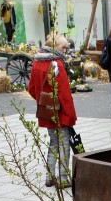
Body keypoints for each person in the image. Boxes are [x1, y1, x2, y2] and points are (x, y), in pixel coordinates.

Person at [27, 32, 77, 188]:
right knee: (64, 143)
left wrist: (44, 101)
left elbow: (32, 89)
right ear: (55, 46)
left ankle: (49, 176)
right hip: (60, 111)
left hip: (46, 110)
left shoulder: (37, 62)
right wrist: (70, 115)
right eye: (63, 47)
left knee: (54, 142)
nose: (64, 50)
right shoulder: (56, 64)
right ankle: (63, 178)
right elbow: (64, 94)